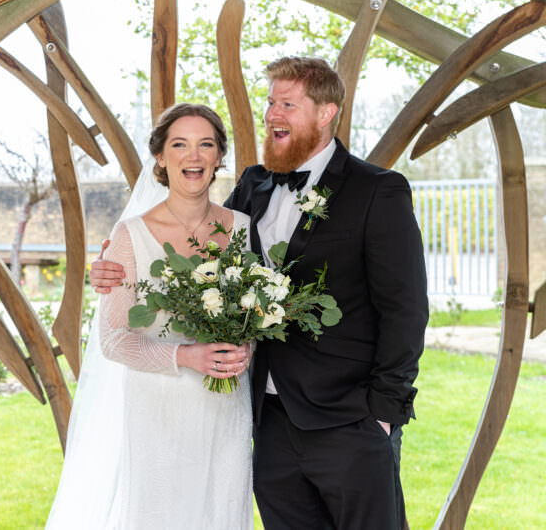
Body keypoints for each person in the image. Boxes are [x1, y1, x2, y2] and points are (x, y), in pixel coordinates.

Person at [91, 57, 428, 529]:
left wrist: (383, 415)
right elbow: (195, 253)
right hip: (266, 424)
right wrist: (111, 267)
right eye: (271, 102)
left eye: (287, 104)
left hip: (350, 421)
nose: (272, 114)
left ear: (326, 112)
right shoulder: (253, 187)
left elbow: (406, 310)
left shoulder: (378, 190)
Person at [47, 103, 253, 529]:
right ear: (161, 157)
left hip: (227, 409)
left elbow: (254, 312)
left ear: (218, 157)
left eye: (205, 145)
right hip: (158, 413)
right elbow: (114, 339)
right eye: (179, 144)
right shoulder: (129, 236)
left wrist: (245, 345)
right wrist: (186, 357)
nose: (192, 156)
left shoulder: (244, 230)